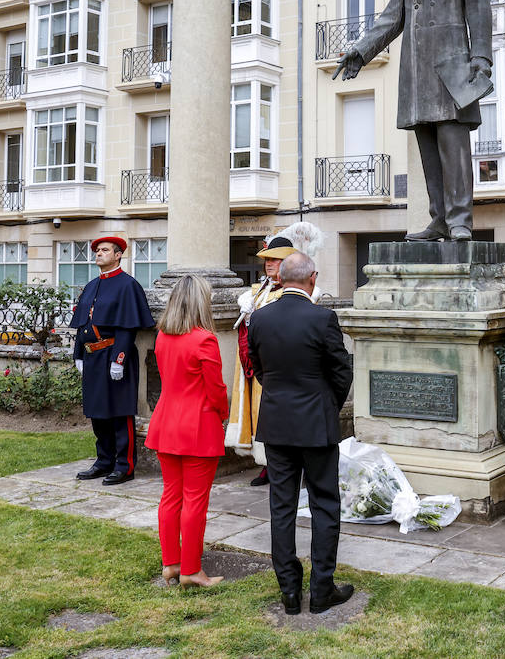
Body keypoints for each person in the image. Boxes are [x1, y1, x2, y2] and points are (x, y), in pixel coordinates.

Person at [334, 0, 493, 242]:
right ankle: (439, 219)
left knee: (455, 151)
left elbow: (479, 12)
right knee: (429, 155)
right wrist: (360, 51)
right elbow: (391, 19)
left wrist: (481, 60)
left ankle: (460, 219)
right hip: (418, 75)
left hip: (453, 72)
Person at [248, 251, 354, 615]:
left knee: (282, 506)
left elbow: (259, 368)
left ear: (280, 279)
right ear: (313, 278)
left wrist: (280, 396)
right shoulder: (323, 318)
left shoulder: (259, 319)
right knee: (325, 503)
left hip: (277, 423)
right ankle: (321, 588)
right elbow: (342, 373)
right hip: (315, 424)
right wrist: (326, 405)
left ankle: (289, 591)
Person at [145, 274, 230, 589]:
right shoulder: (204, 339)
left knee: (170, 497)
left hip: (166, 421)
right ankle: (192, 570)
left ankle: (172, 564)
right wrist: (224, 414)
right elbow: (216, 389)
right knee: (195, 501)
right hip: (197, 426)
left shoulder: (163, 337)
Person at [227, 221, 325, 487]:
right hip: (254, 358)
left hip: (278, 362)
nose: (269, 264)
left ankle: (277, 465)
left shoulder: (302, 291)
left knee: (272, 414)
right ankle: (266, 463)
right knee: (256, 412)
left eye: (275, 260)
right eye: (267, 259)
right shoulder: (259, 290)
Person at [70, 236, 155, 485]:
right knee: (98, 413)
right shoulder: (92, 285)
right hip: (92, 356)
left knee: (119, 413)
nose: (98, 253)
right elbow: (83, 323)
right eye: (97, 250)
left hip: (114, 356)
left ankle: (124, 465)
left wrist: (119, 359)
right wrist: (78, 354)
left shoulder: (127, 285)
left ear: (118, 255)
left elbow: (127, 327)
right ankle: (103, 461)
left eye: (104, 250)